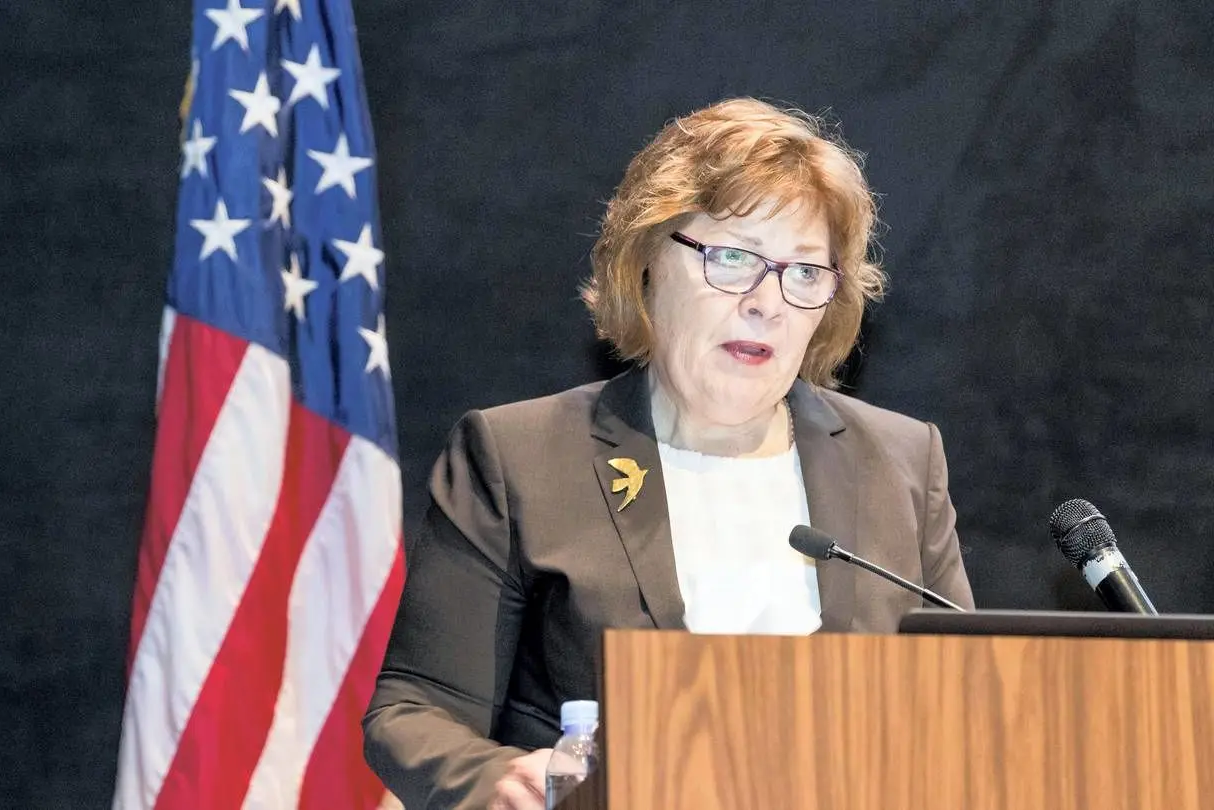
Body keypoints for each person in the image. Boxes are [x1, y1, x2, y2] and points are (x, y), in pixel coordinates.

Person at [363, 97, 975, 810]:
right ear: (648, 261)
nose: (768, 302)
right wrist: (498, 779)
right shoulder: (519, 458)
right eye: (734, 257)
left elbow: (966, 702)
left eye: (805, 272)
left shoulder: (900, 462)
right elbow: (416, 708)